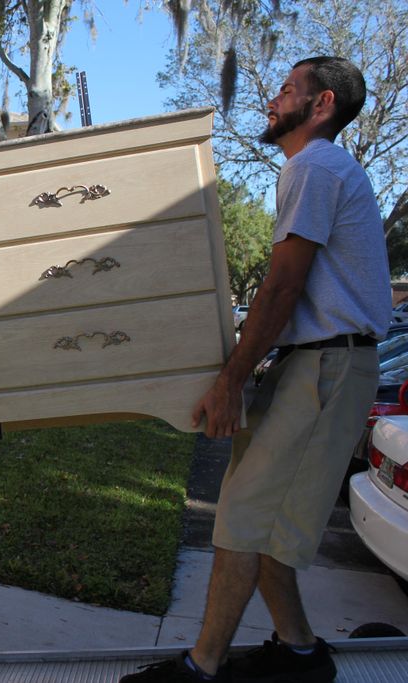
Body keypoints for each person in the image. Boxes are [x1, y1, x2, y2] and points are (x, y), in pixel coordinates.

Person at [122, 57, 390, 682]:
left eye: (287, 89)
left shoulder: (314, 167)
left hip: (326, 367)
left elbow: (282, 287)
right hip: (315, 365)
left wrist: (231, 381)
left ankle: (203, 666)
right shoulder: (316, 169)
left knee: (244, 522)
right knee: (266, 528)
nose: (273, 98)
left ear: (321, 104)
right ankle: (299, 652)